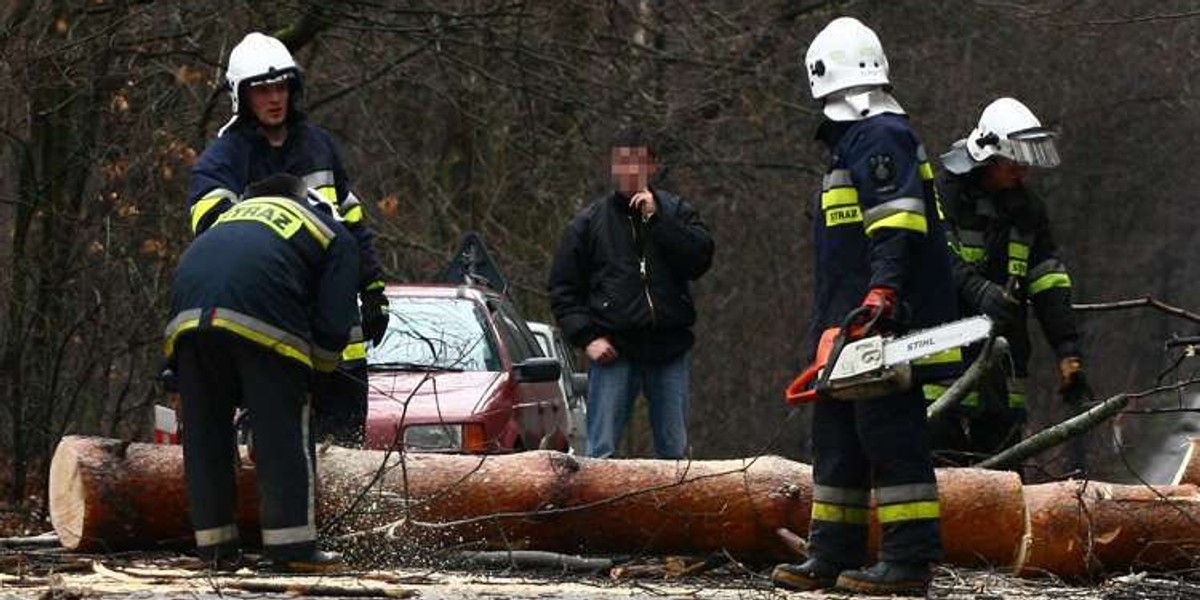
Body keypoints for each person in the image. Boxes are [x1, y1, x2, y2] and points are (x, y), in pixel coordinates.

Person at [771, 17, 961, 595]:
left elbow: (896, 226)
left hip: (884, 319)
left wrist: (883, 294)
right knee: (837, 439)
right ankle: (830, 554)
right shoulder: (849, 144)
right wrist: (836, 320)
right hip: (846, 319)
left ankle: (907, 561)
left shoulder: (881, 137)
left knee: (890, 435)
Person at [187, 32, 388, 446]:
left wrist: (372, 290)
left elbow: (352, 222)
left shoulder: (319, 146)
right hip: (270, 317)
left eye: (281, 87)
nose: (274, 98)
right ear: (242, 96)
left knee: (345, 448)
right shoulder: (224, 159)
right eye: (262, 90)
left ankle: (340, 511)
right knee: (270, 445)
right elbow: (210, 230)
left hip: (336, 322)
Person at [164, 173, 360, 571]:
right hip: (263, 314)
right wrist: (318, 374)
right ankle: (293, 548)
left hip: (187, 322)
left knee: (205, 436)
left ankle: (216, 549)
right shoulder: (332, 231)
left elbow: (202, 278)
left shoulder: (227, 219)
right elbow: (336, 321)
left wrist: (172, 371)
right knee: (281, 432)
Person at [928, 97, 1090, 466]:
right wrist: (978, 291)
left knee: (1002, 484)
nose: (1022, 172)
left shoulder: (1027, 211)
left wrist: (1068, 350)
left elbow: (1049, 281)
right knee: (947, 480)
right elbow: (934, 260)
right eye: (1013, 163)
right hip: (944, 360)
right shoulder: (942, 198)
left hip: (1004, 364)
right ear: (988, 156)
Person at [547, 126, 714, 460]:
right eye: (620, 163)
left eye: (634, 163)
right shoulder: (589, 222)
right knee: (600, 453)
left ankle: (672, 512)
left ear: (651, 166)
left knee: (674, 453)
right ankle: (598, 513)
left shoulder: (676, 211)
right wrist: (587, 337)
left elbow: (698, 260)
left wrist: (658, 221)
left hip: (669, 348)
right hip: (614, 350)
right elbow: (563, 288)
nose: (627, 172)